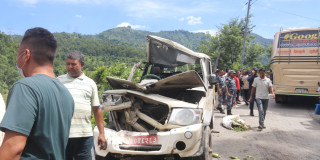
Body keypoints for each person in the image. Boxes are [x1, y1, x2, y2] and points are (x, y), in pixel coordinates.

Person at [0, 27, 74, 159]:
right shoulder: (66, 94)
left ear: (26, 55)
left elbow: (13, 149)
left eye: (18, 53)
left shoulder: (25, 87)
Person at [58, 50, 106, 160]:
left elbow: (97, 109)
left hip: (84, 136)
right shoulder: (58, 81)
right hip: (63, 135)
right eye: (68, 64)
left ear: (82, 64)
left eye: (73, 64)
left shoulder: (90, 83)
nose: (70, 67)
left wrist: (101, 134)